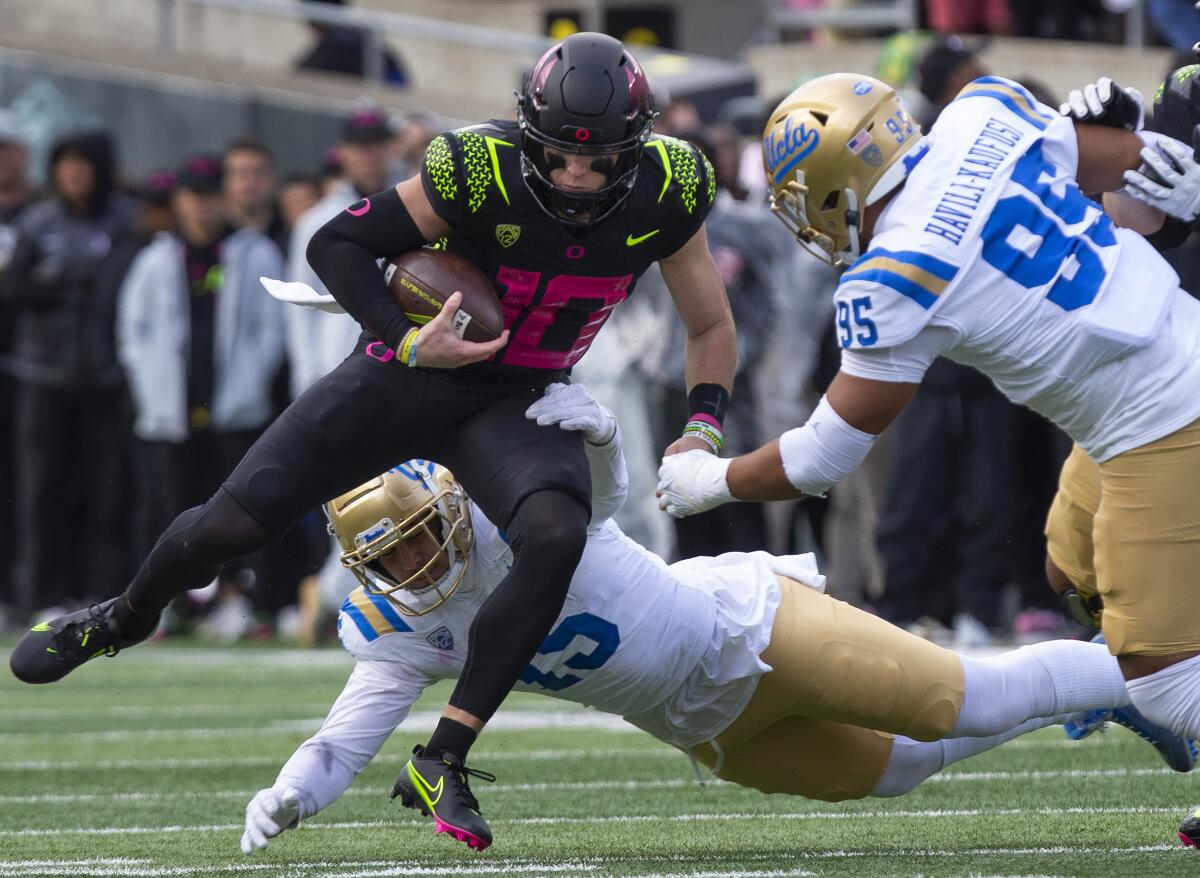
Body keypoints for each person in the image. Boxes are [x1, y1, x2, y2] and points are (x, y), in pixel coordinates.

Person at [10, 32, 736, 850]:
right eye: (560, 156)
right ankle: (121, 616)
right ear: (527, 131)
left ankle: (444, 756)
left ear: (634, 149)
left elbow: (709, 323)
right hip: (409, 372)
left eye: (600, 160)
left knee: (559, 534)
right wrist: (406, 335)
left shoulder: (673, 187)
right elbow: (337, 244)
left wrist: (702, 425)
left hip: (520, 395)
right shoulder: (477, 165)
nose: (576, 176)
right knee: (233, 525)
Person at [238, 382, 1192, 855]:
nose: (413, 562)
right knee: (903, 772)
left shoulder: (506, 517)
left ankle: (1147, 673)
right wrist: (287, 795)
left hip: (752, 628)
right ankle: (1112, 694)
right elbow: (343, 741)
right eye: (390, 555)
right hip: (706, 729)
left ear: (444, 503)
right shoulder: (400, 628)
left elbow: (601, 503)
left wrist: (604, 433)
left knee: (966, 703)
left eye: (416, 537)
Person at [655, 73, 1200, 845]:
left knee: (1167, 681)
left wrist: (712, 480)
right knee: (1068, 573)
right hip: (1158, 371)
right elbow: (1144, 174)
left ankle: (1172, 688)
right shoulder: (984, 111)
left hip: (1164, 420)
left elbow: (821, 457)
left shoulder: (891, 279)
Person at [115, 154, 286, 635]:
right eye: (193, 196)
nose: (202, 207)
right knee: (167, 506)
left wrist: (251, 380)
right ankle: (162, 604)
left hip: (233, 407)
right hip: (171, 410)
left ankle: (236, 598)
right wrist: (151, 387)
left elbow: (271, 329)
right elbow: (134, 333)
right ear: (178, 201)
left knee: (237, 509)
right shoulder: (155, 258)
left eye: (210, 196)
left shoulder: (254, 252)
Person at [2, 129, 136, 622]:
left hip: (105, 379)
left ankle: (101, 593)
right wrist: (62, 283)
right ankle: (40, 595)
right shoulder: (39, 222)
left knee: (106, 491)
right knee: (41, 490)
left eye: (84, 163)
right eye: (66, 163)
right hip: (42, 377)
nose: (75, 173)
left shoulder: (125, 220)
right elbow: (13, 288)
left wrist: (61, 283)